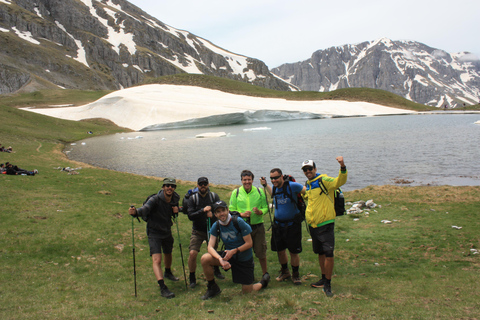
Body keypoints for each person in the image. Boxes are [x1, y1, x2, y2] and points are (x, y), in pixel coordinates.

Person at [200, 201, 270, 300]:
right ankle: (212, 288)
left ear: (228, 210)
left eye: (223, 210)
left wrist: (234, 251)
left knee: (247, 291)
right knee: (205, 258)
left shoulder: (238, 222)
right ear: (215, 214)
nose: (222, 214)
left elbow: (249, 243)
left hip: (244, 258)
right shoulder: (216, 225)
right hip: (229, 255)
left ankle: (263, 282)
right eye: (218, 212)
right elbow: (210, 247)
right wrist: (220, 259)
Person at [128, 178, 181, 299]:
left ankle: (168, 272)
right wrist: (136, 212)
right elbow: (145, 209)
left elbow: (174, 212)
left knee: (168, 252)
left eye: (172, 186)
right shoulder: (155, 199)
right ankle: (162, 287)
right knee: (157, 260)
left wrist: (177, 211)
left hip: (167, 230)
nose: (170, 188)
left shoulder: (175, 199)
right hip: (154, 232)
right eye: (167, 185)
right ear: (163, 187)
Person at [302, 157, 347, 297]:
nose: (308, 171)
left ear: (315, 169)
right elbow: (311, 199)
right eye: (305, 169)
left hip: (325, 223)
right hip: (313, 225)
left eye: (310, 168)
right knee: (320, 253)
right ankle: (323, 278)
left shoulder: (324, 180)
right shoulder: (308, 184)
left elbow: (340, 181)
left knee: (328, 253)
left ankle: (327, 283)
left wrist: (342, 166)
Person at [260, 169, 306, 285]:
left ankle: (296, 275)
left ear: (281, 176)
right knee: (280, 251)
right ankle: (285, 272)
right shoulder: (275, 187)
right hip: (278, 225)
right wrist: (266, 185)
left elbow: (308, 192)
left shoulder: (293, 186)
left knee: (293, 252)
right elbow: (273, 194)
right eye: (272, 178)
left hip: (292, 225)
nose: (273, 180)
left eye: (276, 177)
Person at [229, 170, 269, 278]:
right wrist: (241, 214)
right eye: (244, 180)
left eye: (249, 180)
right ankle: (243, 274)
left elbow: (266, 207)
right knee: (243, 252)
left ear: (252, 180)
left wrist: (261, 212)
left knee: (261, 251)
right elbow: (231, 210)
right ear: (241, 180)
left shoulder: (260, 191)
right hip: (241, 227)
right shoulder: (236, 193)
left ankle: (265, 274)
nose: (247, 182)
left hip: (257, 226)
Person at [186, 177, 224, 289]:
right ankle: (192, 277)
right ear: (197, 185)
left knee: (214, 252)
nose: (203, 186)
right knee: (193, 253)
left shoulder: (214, 197)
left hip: (211, 230)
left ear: (208, 185)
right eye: (201, 184)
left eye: (205, 184)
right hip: (197, 231)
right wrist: (202, 211)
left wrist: (213, 215)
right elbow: (190, 215)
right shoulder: (193, 199)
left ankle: (216, 269)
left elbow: (220, 212)